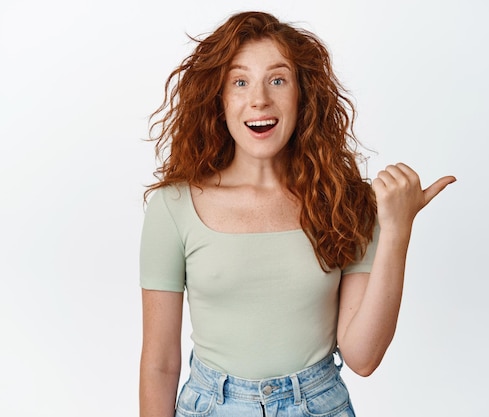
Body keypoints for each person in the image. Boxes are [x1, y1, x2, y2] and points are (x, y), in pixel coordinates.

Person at [139, 10, 455, 417]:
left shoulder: (346, 201)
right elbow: (159, 364)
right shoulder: (173, 207)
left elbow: (363, 356)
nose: (259, 99)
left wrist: (397, 231)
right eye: (240, 82)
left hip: (319, 405)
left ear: (302, 93)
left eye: (277, 80)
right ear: (218, 99)